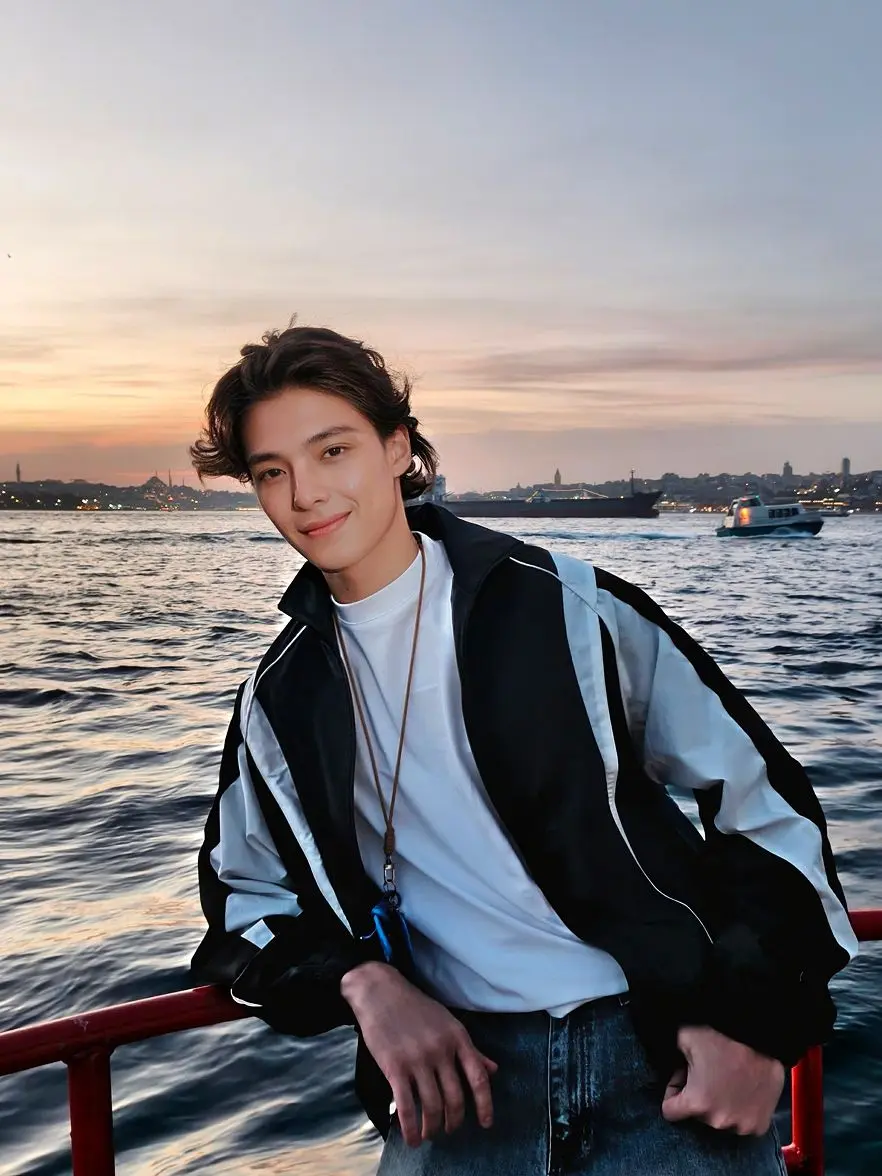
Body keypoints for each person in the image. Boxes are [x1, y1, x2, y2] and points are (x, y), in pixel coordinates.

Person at [189, 323, 857, 1175]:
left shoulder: (570, 608)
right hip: (455, 1092)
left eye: (332, 451)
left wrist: (758, 1028)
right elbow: (242, 905)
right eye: (272, 472)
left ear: (397, 449)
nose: (306, 494)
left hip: (662, 1069)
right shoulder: (279, 698)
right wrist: (361, 981)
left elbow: (764, 804)